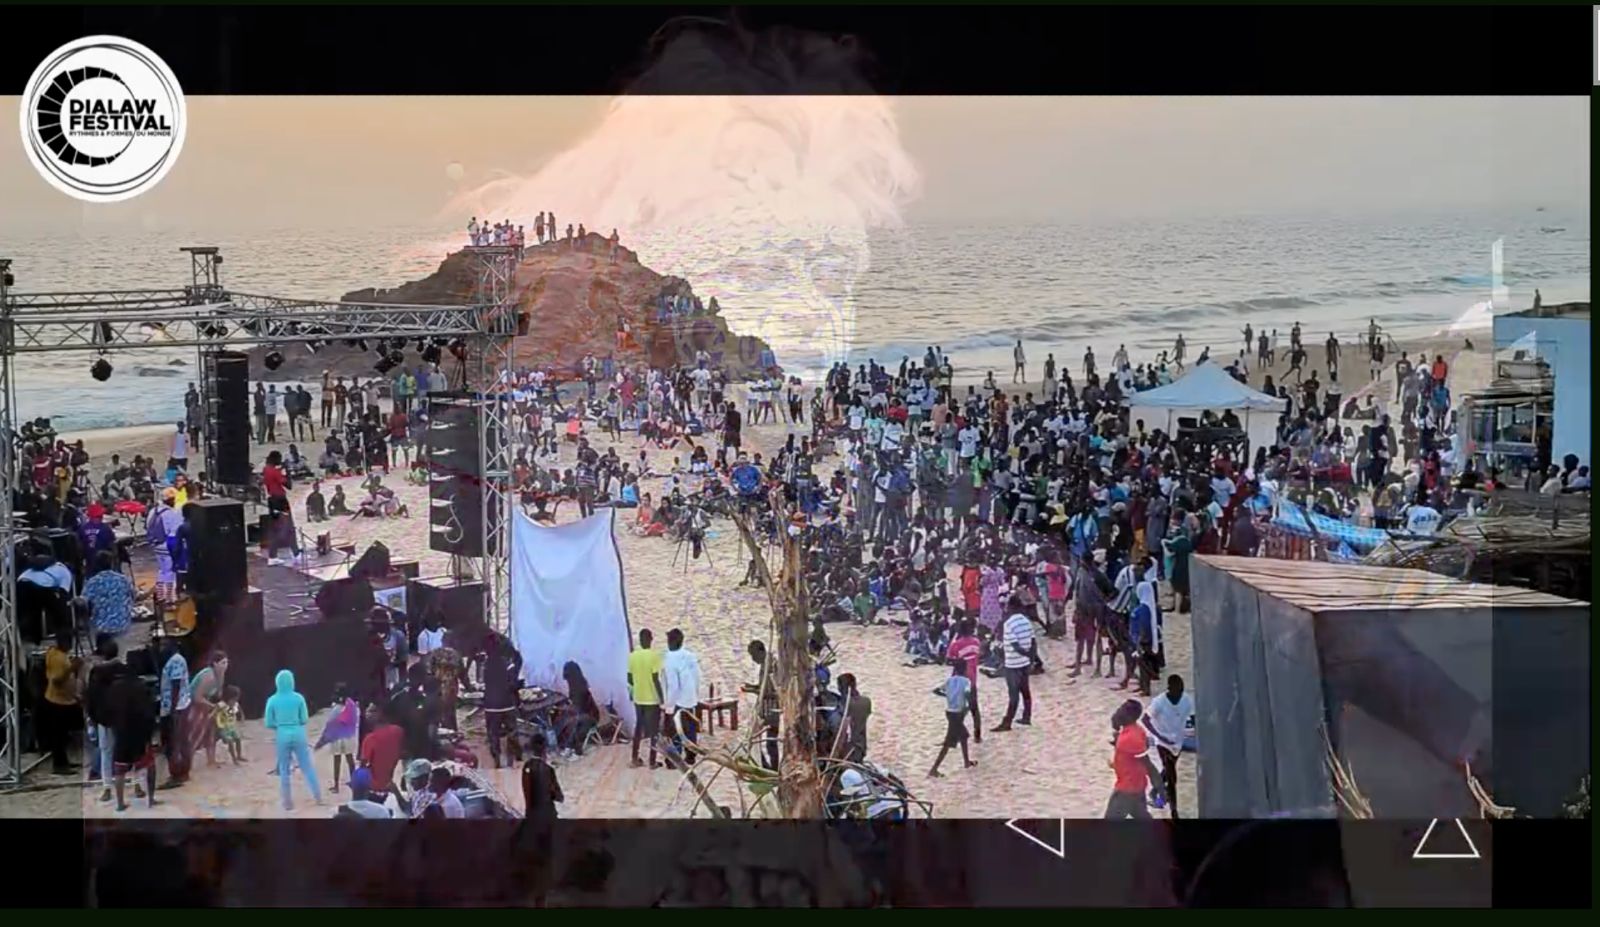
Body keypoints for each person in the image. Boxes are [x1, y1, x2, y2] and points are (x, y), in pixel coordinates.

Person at [264, 669, 323, 811]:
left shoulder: (272, 700)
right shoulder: (299, 698)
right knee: (307, 766)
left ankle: (287, 803)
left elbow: (268, 722)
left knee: (284, 769)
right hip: (298, 732)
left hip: (282, 734)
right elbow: (304, 719)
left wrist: (279, 725)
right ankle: (318, 796)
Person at [107, 667, 160, 812]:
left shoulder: (114, 688)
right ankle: (151, 799)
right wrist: (150, 734)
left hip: (121, 733)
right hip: (140, 733)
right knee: (150, 765)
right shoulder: (142, 687)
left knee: (120, 769)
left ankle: (120, 803)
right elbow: (149, 713)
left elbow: (108, 711)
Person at [1143, 674, 1194, 819]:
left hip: (1178, 741)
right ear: (1169, 689)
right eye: (1177, 691)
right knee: (1172, 777)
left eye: (1181, 691)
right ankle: (1174, 810)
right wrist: (1159, 736)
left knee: (1168, 770)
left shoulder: (1186, 699)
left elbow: (1193, 717)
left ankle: (1154, 792)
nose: (1179, 695)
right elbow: (1145, 719)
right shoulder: (1159, 702)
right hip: (1163, 743)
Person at [1106, 699, 1161, 819]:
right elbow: (1134, 758)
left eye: (1122, 710)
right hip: (1138, 786)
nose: (1119, 711)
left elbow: (1148, 765)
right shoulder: (1137, 730)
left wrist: (1160, 789)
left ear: (1130, 717)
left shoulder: (1130, 738)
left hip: (1126, 790)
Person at [993, 595, 1036, 732]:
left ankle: (1007, 722)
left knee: (1013, 695)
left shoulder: (1009, 624)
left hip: (1013, 663)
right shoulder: (1026, 621)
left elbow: (1015, 645)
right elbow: (1033, 642)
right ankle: (1026, 716)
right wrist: (1031, 658)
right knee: (1025, 691)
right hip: (1024, 663)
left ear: (1011, 607)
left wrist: (1025, 654)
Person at [928, 657, 977, 778]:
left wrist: (948, 696)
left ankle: (966, 762)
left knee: (963, 736)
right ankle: (934, 769)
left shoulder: (949, 680)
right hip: (958, 714)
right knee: (949, 742)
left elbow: (936, 690)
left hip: (950, 712)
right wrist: (969, 706)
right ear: (965, 669)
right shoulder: (966, 681)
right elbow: (967, 693)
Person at [40, 630, 80, 774]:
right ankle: (59, 765)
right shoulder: (58, 658)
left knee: (63, 735)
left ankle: (64, 761)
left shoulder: (55, 653)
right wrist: (71, 669)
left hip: (63, 700)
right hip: (58, 702)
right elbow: (56, 680)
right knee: (59, 736)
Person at [661, 628, 702, 765]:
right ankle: (691, 755)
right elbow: (697, 677)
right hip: (690, 698)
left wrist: (669, 704)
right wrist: (695, 694)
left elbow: (673, 685)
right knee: (690, 728)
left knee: (675, 730)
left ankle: (675, 758)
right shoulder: (690, 656)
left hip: (678, 700)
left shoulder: (669, 660)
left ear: (671, 642)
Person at [627, 629, 665, 769]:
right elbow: (655, 679)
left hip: (638, 698)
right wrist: (661, 698)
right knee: (654, 731)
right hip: (651, 699)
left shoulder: (632, 656)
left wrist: (638, 686)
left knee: (638, 728)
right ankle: (652, 761)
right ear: (650, 639)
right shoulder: (654, 656)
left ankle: (634, 758)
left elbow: (629, 679)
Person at [186, 649, 230, 769]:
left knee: (211, 733)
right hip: (195, 705)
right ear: (215, 664)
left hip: (207, 703)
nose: (225, 666)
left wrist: (218, 706)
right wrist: (213, 706)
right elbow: (196, 697)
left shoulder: (220, 675)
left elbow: (218, 694)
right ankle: (187, 764)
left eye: (226, 662)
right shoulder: (208, 676)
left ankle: (211, 760)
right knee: (196, 735)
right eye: (223, 663)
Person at [157, 639, 192, 788]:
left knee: (174, 742)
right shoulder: (174, 660)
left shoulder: (176, 660)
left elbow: (175, 685)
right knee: (181, 741)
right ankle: (182, 772)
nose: (161, 648)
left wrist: (172, 710)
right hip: (176, 706)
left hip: (176, 708)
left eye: (164, 645)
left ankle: (177, 774)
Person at [315, 683, 362, 792]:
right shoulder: (352, 705)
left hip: (337, 736)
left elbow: (330, 723)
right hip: (348, 735)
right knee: (350, 759)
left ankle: (336, 786)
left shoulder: (335, 707)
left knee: (337, 760)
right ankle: (354, 782)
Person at [82, 550, 135, 642]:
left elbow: (83, 602)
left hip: (101, 626)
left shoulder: (92, 582)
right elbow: (134, 596)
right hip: (122, 624)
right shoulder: (123, 579)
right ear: (112, 564)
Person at [358, 704, 406, 801]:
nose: (367, 714)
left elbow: (363, 766)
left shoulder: (370, 739)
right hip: (389, 786)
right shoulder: (398, 731)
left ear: (380, 713)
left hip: (373, 789)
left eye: (371, 711)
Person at [521, 735, 565, 823]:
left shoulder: (526, 767)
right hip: (548, 815)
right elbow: (558, 796)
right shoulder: (548, 769)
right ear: (544, 750)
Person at [837, 672, 872, 763]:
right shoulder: (866, 701)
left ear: (841, 688)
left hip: (846, 751)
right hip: (861, 747)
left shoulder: (844, 705)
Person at [215, 685, 245, 764]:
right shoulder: (221, 705)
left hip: (232, 726)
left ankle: (239, 756)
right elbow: (214, 713)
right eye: (233, 699)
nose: (235, 701)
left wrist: (242, 716)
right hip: (223, 727)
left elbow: (240, 710)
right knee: (230, 741)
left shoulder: (235, 704)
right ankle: (234, 759)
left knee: (238, 739)